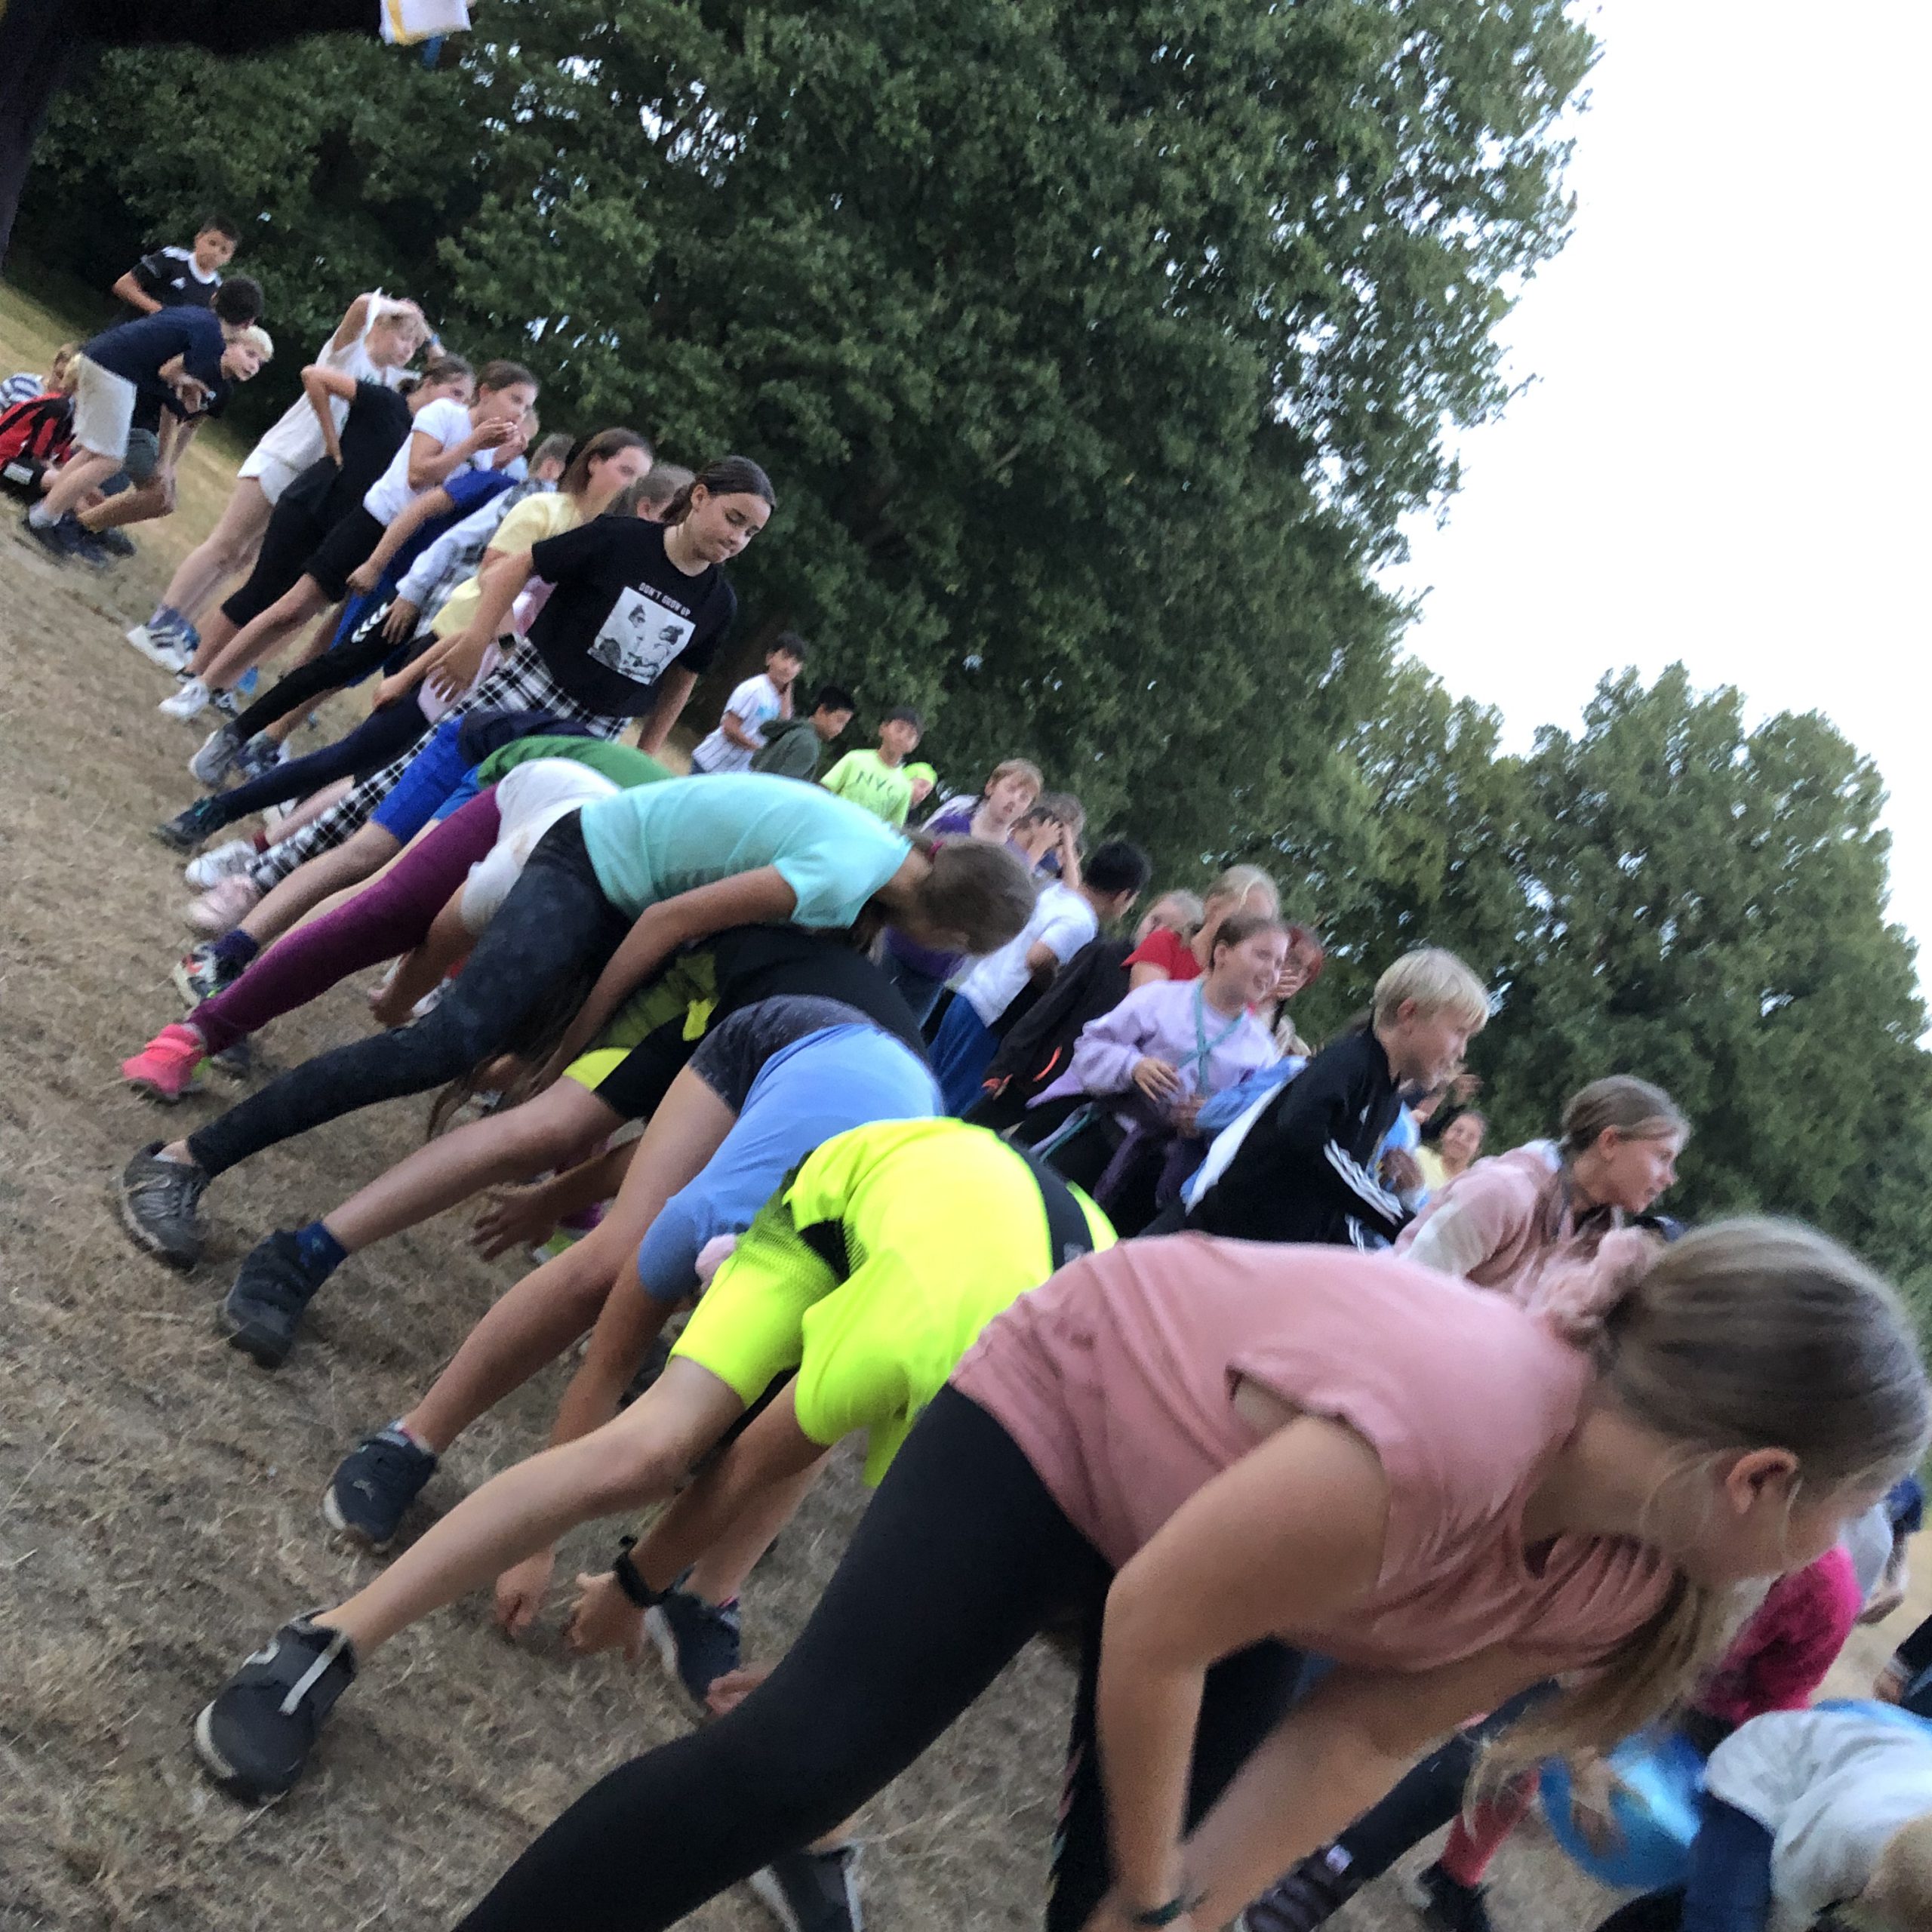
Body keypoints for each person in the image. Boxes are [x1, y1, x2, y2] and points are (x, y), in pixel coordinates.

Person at [328, 1214, 1924, 1932]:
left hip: (1261, 1557)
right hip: (1073, 1416)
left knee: (1139, 1904)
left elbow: (1365, 1734)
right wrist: (1151, 1893)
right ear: (1758, 1477)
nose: (1846, 1553)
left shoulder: (1635, 1579)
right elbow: (1158, 1624)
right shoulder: (1457, 1428)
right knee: (801, 1759)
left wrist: (1170, 1914)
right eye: (1857, 1511)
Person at [193, 1115, 1114, 1804]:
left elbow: (918, 1606)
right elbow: (750, 1460)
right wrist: (633, 1584)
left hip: (978, 1221)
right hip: (850, 1196)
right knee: (651, 1450)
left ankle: (707, 1616)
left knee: (829, 1407)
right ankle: (324, 1640)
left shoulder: (1080, 1433)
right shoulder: (932, 1355)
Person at [115, 774, 1037, 1272]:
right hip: (592, 863)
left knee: (485, 1058)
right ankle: (181, 1162)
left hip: (623, 889)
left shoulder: (878, 867)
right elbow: (665, 920)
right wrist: (571, 1046)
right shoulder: (847, 875)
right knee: (447, 1042)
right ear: (953, 936)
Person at [188, 456, 776, 935]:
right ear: (699, 497)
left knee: (493, 842)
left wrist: (644, 756)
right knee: (386, 791)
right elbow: (514, 569)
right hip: (523, 690)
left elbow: (679, 680)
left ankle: (389, 948)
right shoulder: (621, 539)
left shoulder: (718, 604)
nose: (737, 539)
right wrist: (475, 641)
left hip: (591, 734)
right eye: (733, 519)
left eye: (751, 533)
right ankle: (257, 879)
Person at [1246, 1541, 1866, 1932]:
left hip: (1707, 1717)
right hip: (1609, 1655)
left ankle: (1453, 1880)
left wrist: (1722, 1792)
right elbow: (1590, 1655)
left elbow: (1776, 1708)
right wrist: (1587, 1756)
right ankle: (1326, 1876)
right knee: (1503, 1745)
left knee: (1724, 1846)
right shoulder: (1680, 1532)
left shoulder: (1825, 1593)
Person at [152, 429, 651, 855]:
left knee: (375, 781)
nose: (632, 485)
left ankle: (270, 847)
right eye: (626, 470)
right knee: (353, 754)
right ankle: (218, 808)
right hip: (455, 650)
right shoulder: (545, 509)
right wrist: (489, 645)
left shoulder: (609, 541)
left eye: (639, 476)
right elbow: (494, 574)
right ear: (593, 463)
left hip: (504, 680)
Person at [123, 735, 670, 1105]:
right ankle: (194, 1035)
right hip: (545, 781)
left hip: (634, 832)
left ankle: (571, 1203)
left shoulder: (655, 950)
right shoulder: (524, 871)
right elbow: (441, 935)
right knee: (389, 912)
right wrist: (400, 1000)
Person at [160, 357, 537, 719]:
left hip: (402, 549)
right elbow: (418, 475)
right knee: (292, 607)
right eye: (515, 400)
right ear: (485, 392)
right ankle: (202, 682)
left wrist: (495, 458)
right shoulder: (445, 415)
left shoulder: (486, 454)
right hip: (372, 523)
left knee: (317, 630)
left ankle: (229, 688)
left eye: (527, 407)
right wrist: (471, 446)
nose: (520, 413)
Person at [127, 291, 429, 669]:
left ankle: (178, 630)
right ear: (381, 327)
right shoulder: (349, 354)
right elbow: (361, 305)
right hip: (283, 457)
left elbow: (444, 375)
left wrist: (423, 333)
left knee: (242, 559)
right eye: (404, 338)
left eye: (414, 345)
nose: (408, 350)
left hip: (308, 479)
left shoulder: (388, 380)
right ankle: (158, 625)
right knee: (225, 545)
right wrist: (400, 309)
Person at [1178, 949, 1490, 1247]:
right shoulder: (1350, 1062)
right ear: (1409, 1014)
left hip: (1262, 1254)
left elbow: (1335, 1202)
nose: (1461, 1051)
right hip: (1214, 1239)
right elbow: (1302, 1131)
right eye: (1459, 1032)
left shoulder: (1385, 1098)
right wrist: (1400, 1222)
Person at [1020, 909, 1287, 1231]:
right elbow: (1090, 1047)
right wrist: (1133, 1066)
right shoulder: (1160, 1000)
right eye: (1262, 955)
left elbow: (1252, 1125)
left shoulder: (1261, 1051)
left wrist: (1212, 1119)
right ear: (1222, 953)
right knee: (1036, 1224)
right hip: (1102, 1142)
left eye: (1279, 963)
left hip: (1160, 1180)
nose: (1271, 971)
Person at [1587, 1701, 1932, 1932]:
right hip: (1761, 1782)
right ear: (1874, 1883)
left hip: (1850, 1775)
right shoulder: (1844, 1837)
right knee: (1724, 1919)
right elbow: (1786, 1909)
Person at [1395, 1076, 1687, 1313]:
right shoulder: (1501, 1193)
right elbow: (1406, 1294)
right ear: (1610, 1142)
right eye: (1662, 1157)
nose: (1669, 1178)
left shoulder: (1601, 1241)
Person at [20, 278, 266, 553]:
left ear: (215, 297)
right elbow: (168, 379)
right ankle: (42, 519)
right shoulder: (212, 340)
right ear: (248, 322)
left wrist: (185, 381)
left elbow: (166, 371)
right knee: (109, 460)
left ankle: (45, 513)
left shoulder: (195, 315)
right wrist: (165, 457)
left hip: (97, 356)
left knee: (93, 454)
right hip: (116, 373)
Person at [931, 838, 1152, 1112]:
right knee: (948, 1104)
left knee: (930, 1080)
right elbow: (1038, 957)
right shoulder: (1081, 922)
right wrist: (1053, 988)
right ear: (1124, 896)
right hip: (993, 1016)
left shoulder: (1057, 894)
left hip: (973, 993)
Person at [884, 757, 1047, 1021]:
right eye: (1010, 789)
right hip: (899, 939)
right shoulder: (952, 825)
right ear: (991, 786)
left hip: (939, 965)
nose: (1014, 800)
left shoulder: (1012, 861)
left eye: (1024, 797)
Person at [1125, 863, 1280, 988]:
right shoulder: (1164, 944)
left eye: (1260, 928)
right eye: (1243, 918)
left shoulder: (1243, 979)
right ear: (1213, 907)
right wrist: (1214, 977)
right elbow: (1146, 1012)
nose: (1250, 932)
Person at [688, 634, 808, 773]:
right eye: (784, 658)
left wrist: (787, 695)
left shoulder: (784, 702)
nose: (788, 667)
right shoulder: (754, 688)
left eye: (794, 664)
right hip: (710, 765)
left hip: (735, 774)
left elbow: (783, 729)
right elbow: (729, 727)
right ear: (770, 658)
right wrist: (759, 751)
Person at [109, 216, 239, 318]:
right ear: (198, 239)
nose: (215, 252)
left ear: (229, 258)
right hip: (127, 333)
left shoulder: (217, 290)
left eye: (224, 250)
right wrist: (159, 311)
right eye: (212, 243)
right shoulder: (171, 259)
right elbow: (123, 285)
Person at [818, 706, 924, 826]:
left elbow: (893, 829)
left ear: (914, 746)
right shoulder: (855, 759)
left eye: (910, 736)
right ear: (883, 729)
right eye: (899, 729)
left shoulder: (904, 786)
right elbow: (824, 790)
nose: (902, 738)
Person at [748, 682, 856, 780]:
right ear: (821, 710)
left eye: (844, 725)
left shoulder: (795, 729)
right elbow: (785, 787)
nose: (840, 730)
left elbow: (756, 762)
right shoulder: (808, 743)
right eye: (840, 721)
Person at [1415, 1107, 1486, 1194]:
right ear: (1444, 1133)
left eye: (1470, 1137)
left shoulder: (1472, 1188)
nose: (1461, 1140)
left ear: (1478, 1150)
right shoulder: (1418, 1156)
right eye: (1458, 1131)